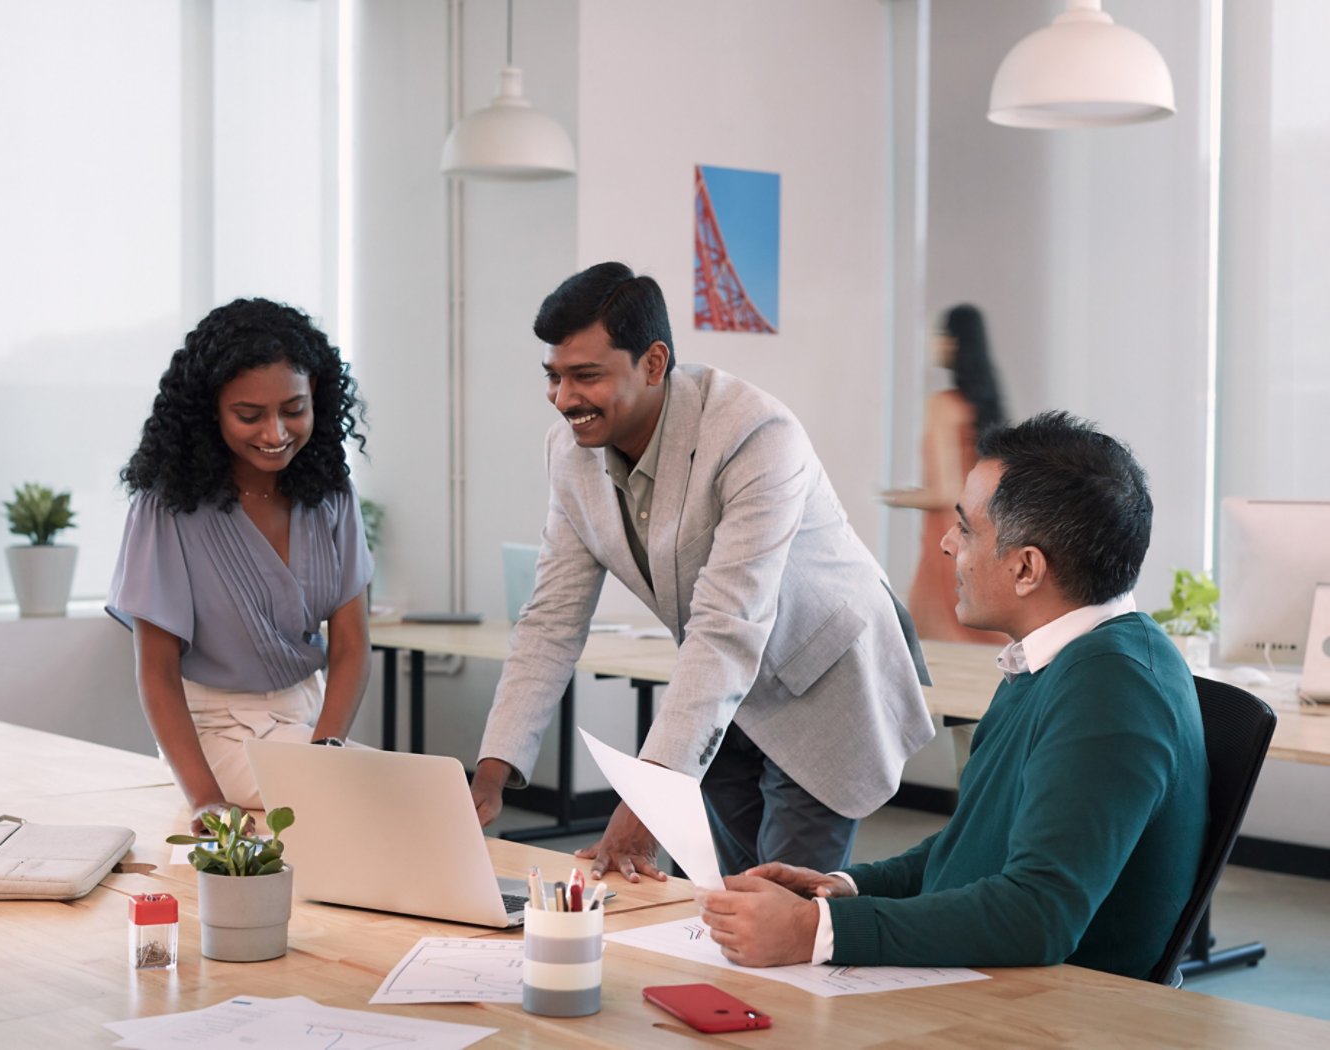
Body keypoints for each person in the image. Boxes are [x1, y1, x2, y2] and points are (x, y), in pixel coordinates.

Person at [700, 411, 1210, 981]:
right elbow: (976, 847)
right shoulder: (1053, 659)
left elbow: (1036, 915)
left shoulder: (1114, 689)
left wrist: (813, 933)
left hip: (1056, 1015)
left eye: (965, 529)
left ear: (1025, 568)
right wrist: (841, 890)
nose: (946, 544)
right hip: (997, 987)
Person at [470, 262, 935, 882]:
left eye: (585, 376)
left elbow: (727, 622)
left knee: (785, 906)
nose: (563, 399)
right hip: (726, 695)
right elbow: (551, 619)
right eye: (553, 377)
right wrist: (493, 768)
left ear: (654, 363)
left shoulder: (754, 433)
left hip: (823, 674)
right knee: (726, 895)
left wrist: (649, 798)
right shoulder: (570, 454)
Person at [108, 298, 373, 833]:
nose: (275, 433)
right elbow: (156, 671)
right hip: (213, 736)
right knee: (384, 804)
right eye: (249, 415)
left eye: (293, 410)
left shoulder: (330, 494)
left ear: (316, 395)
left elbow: (350, 645)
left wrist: (326, 747)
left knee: (394, 796)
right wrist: (205, 799)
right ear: (211, 410)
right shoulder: (168, 506)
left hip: (310, 723)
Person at [883, 304, 1008, 645]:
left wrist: (894, 497)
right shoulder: (986, 407)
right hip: (985, 531)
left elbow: (944, 491)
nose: (934, 343)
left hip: (946, 536)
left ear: (955, 343)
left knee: (935, 648)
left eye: (940, 335)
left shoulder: (942, 405)